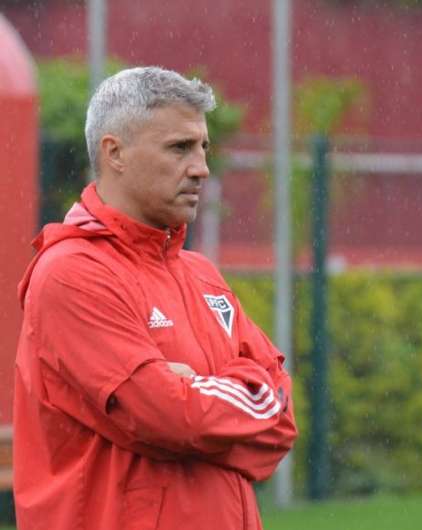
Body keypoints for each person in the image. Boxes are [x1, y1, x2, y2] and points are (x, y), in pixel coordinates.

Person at [13, 66, 297, 530]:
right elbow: (168, 417)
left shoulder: (202, 275)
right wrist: (234, 393)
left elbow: (280, 418)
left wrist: (194, 390)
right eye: (179, 148)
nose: (201, 167)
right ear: (115, 152)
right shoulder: (72, 274)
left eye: (203, 147)